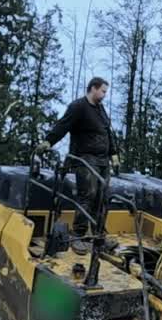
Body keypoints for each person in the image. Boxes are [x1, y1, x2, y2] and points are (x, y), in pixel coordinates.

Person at [38, 77, 119, 253]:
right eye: (103, 91)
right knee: (88, 195)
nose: (105, 95)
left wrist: (114, 154)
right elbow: (63, 125)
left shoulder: (100, 109)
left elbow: (107, 132)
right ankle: (78, 235)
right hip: (86, 158)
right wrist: (48, 141)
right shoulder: (78, 107)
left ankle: (99, 237)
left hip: (103, 161)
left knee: (102, 198)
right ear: (93, 88)